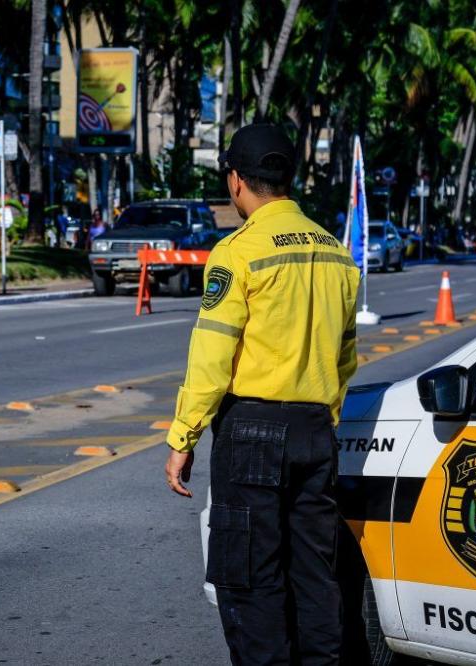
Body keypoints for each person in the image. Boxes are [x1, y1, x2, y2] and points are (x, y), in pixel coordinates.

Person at [163, 124, 359, 666]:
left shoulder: (237, 252)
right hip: (316, 429)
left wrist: (184, 436)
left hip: (251, 432)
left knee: (251, 584)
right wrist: (324, 419)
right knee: (317, 578)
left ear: (236, 181)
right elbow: (345, 357)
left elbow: (211, 357)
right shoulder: (337, 253)